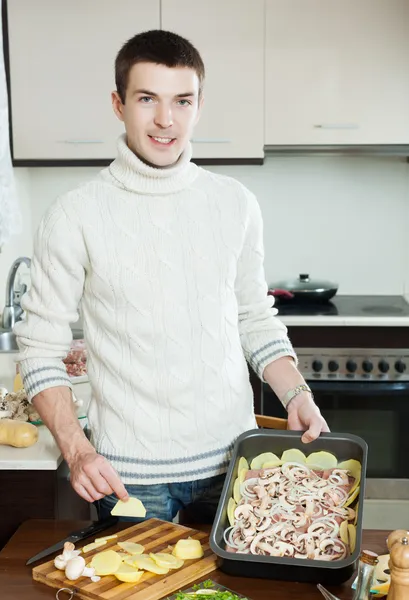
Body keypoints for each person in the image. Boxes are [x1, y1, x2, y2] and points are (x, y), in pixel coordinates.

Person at [14, 30, 329, 524]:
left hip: (234, 461)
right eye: (147, 99)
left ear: (199, 105)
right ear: (118, 105)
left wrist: (297, 394)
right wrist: (76, 450)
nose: (166, 119)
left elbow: (254, 317)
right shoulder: (73, 214)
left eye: (182, 100)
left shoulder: (235, 203)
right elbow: (38, 348)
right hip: (126, 473)